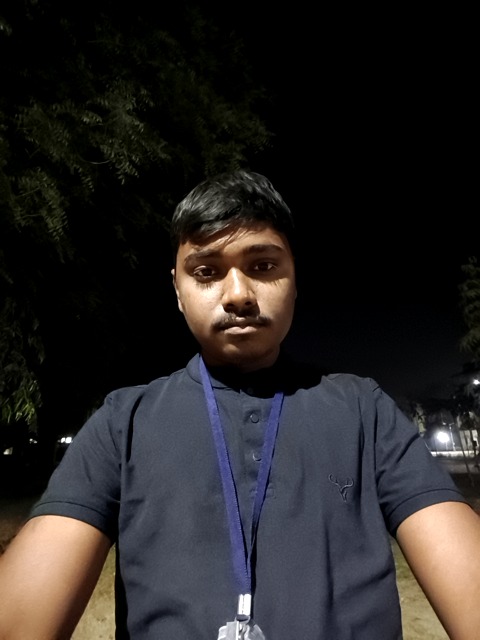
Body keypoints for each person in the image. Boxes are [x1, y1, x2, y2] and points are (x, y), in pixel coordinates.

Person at [0, 170, 479, 640]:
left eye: (263, 266)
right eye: (206, 272)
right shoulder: (122, 422)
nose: (238, 295)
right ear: (178, 290)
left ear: (295, 279)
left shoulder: (364, 411)